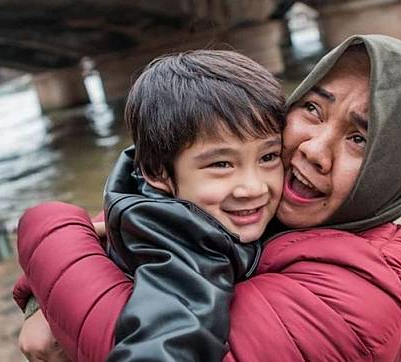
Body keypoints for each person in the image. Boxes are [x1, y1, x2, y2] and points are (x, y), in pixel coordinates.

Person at [15, 34, 401, 361]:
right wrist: (42, 295)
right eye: (314, 109)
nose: (314, 150)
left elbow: (128, 337)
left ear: (400, 167)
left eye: (359, 138)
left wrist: (50, 229)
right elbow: (142, 226)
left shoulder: (360, 294)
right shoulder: (270, 209)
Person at [15, 49, 287, 361]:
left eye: (268, 157)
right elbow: (170, 335)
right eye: (222, 164)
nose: (253, 187)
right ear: (157, 172)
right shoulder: (183, 245)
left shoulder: (149, 204)